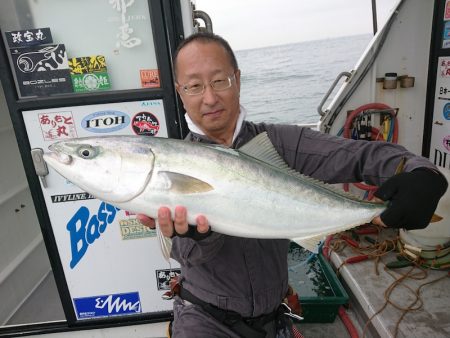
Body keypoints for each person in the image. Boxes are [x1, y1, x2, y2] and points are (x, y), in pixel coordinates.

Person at [137, 32, 448, 338]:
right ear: (180, 92)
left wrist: (422, 173)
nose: (209, 97)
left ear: (238, 79)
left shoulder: (280, 144)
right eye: (194, 86)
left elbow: (359, 155)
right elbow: (186, 255)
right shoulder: (173, 165)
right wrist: (198, 237)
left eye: (220, 81)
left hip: (275, 317)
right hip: (203, 320)